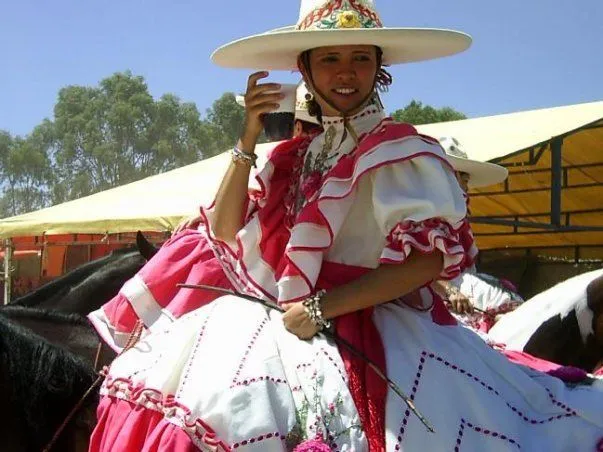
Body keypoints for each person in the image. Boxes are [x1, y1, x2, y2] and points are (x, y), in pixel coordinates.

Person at [88, 1, 603, 451]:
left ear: (379, 67)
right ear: (306, 69)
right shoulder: (297, 153)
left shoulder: (401, 150)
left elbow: (426, 262)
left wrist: (320, 307)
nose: (346, 72)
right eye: (330, 57)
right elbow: (224, 232)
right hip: (283, 318)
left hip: (371, 322)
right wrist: (247, 138)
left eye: (361, 57)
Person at [434, 137, 524, 333]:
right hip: (434, 294)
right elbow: (414, 270)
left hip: (460, 288)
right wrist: (450, 291)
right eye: (464, 181)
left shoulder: (456, 219)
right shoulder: (422, 218)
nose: (466, 189)